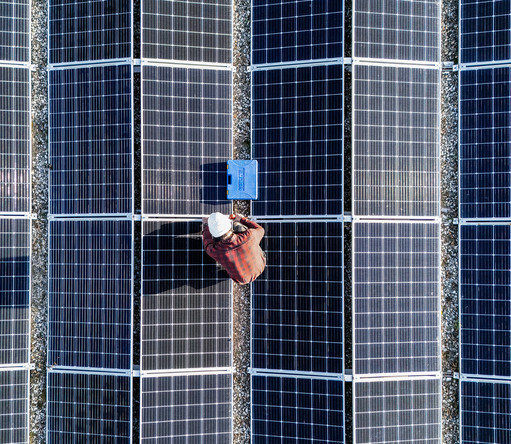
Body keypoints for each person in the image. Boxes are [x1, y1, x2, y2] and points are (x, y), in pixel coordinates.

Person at [202, 212, 266, 284]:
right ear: (228, 224)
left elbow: (208, 245)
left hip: (242, 280)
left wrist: (206, 225)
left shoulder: (216, 251)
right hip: (260, 267)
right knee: (240, 227)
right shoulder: (250, 236)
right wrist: (242, 219)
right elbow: (260, 229)